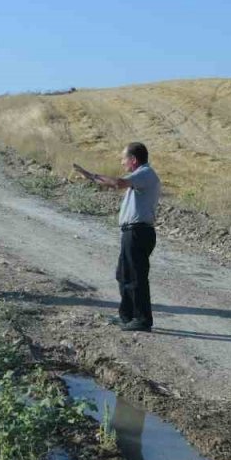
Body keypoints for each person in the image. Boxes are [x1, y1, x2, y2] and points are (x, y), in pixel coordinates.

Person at [73, 142, 161, 332]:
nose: (122, 162)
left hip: (138, 232)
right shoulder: (140, 176)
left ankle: (142, 320)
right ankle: (127, 316)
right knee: (124, 275)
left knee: (136, 277)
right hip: (132, 232)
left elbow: (118, 183)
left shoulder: (145, 173)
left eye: (124, 158)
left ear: (133, 160)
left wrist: (92, 176)